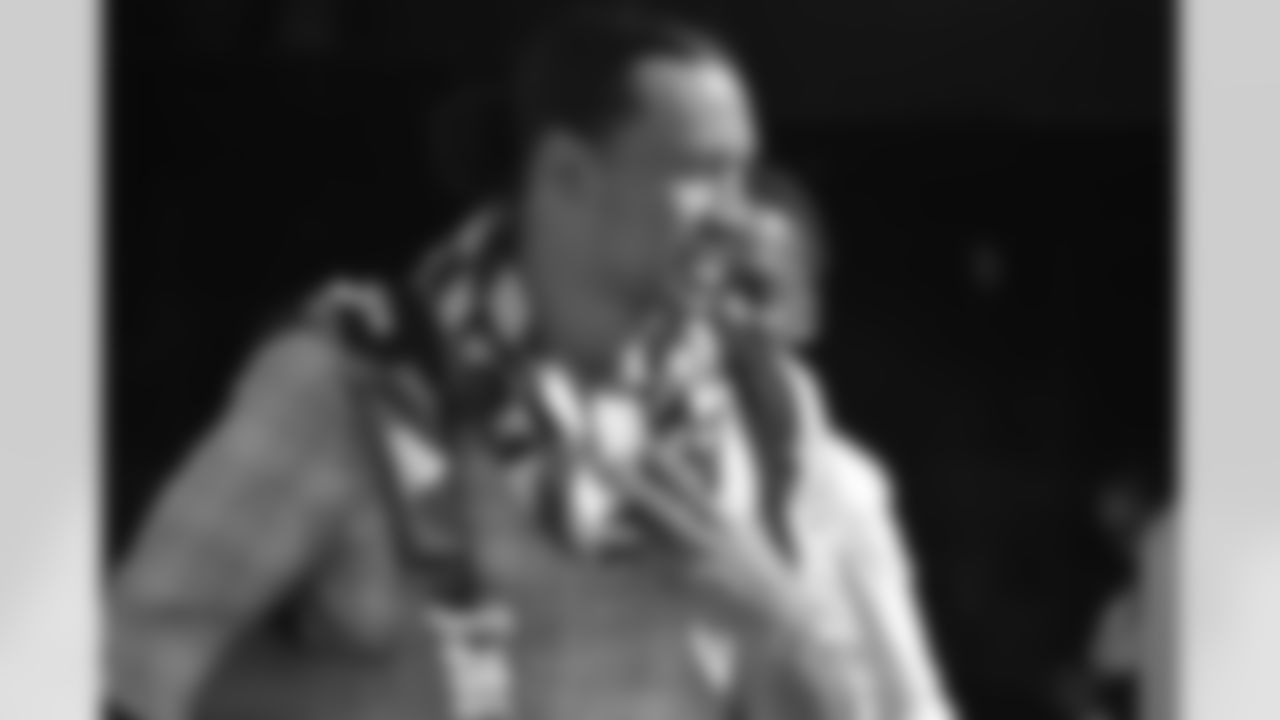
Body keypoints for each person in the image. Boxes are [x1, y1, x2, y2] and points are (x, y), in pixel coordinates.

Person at [108, 6, 873, 720]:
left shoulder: (762, 399)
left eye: (744, 175)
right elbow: (119, 663)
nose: (741, 218)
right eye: (703, 173)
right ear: (568, 173)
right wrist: (365, 701)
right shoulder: (353, 382)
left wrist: (783, 622)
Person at [716, 166, 958, 720]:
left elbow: (913, 700)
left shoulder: (850, 493)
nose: (724, 313)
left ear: (807, 313)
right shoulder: (631, 471)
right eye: (706, 285)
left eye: (754, 289)